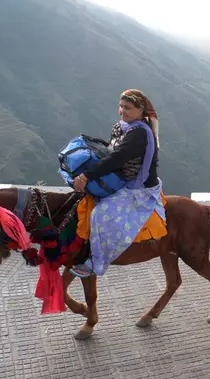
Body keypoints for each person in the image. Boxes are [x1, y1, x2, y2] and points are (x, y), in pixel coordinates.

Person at [69, 89, 167, 278]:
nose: (123, 111)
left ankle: (96, 261)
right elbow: (111, 149)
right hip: (123, 179)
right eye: (121, 106)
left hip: (138, 188)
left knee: (100, 213)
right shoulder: (123, 127)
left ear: (140, 110)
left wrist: (86, 176)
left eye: (128, 108)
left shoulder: (138, 133)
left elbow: (117, 157)